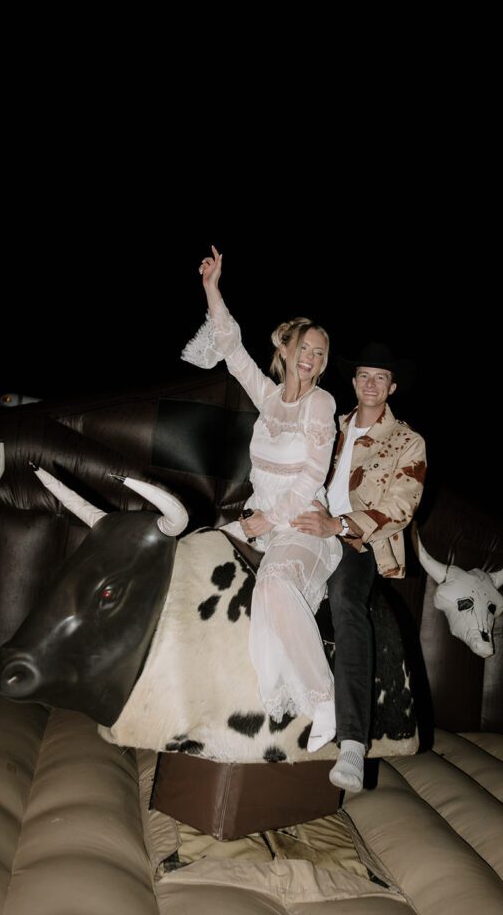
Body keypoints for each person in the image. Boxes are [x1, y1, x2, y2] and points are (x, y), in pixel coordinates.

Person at [181, 246, 342, 751]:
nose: (312, 358)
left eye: (321, 353)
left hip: (304, 527)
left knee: (272, 581)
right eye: (306, 347)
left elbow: (311, 476)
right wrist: (212, 288)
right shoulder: (268, 397)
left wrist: (268, 520)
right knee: (195, 549)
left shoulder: (322, 403)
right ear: (286, 349)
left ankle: (325, 701)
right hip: (264, 523)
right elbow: (232, 351)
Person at [292, 343, 426, 790]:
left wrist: (339, 524)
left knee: (347, 603)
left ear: (392, 387)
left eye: (380, 377)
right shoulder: (330, 424)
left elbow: (402, 507)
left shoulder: (408, 441)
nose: (370, 384)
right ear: (352, 382)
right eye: (364, 375)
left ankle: (352, 742)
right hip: (306, 527)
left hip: (357, 543)